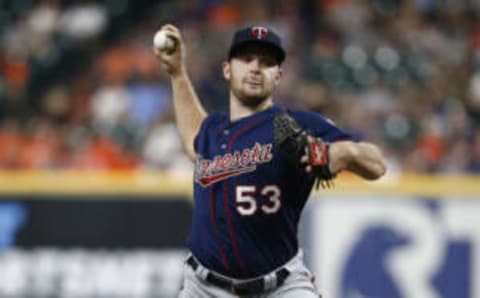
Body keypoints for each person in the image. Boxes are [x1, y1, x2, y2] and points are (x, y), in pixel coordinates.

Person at [154, 24, 386, 298]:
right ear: (227, 69)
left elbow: (376, 165)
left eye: (266, 63)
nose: (255, 68)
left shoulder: (294, 125)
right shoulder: (213, 129)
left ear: (278, 76)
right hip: (203, 288)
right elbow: (194, 135)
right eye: (247, 59)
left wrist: (345, 153)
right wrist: (178, 73)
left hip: (281, 287)